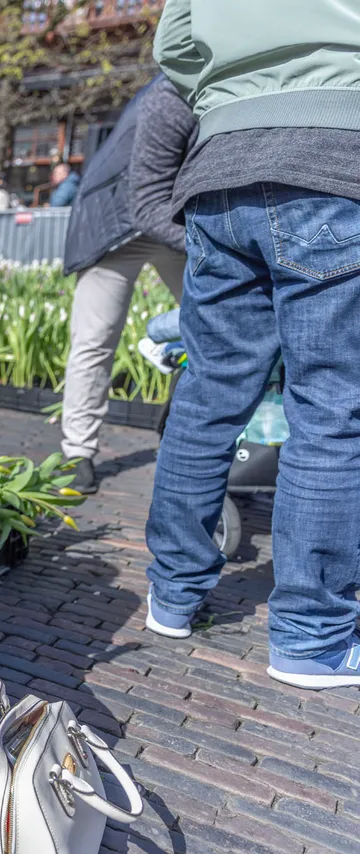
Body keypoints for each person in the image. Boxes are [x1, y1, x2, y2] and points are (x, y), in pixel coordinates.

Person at [145, 0, 360, 689]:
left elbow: (174, 43)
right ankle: (311, 638)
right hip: (334, 153)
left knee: (208, 393)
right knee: (329, 408)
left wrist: (231, 93)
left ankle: (172, 596)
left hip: (221, 165)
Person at [59, 74, 195, 494]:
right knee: (94, 340)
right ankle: (77, 452)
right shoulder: (175, 90)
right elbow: (144, 199)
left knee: (213, 327)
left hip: (174, 220)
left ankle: (183, 426)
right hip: (114, 225)